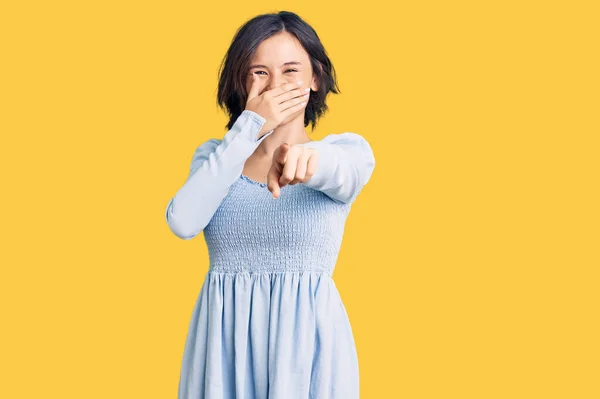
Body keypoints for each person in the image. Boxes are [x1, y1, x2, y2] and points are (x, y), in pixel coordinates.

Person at [165, 10, 375, 399]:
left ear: (315, 79)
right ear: (241, 81)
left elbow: (342, 173)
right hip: (222, 350)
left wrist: (308, 162)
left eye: (291, 71)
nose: (275, 86)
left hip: (307, 352)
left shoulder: (344, 152)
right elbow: (182, 221)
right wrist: (249, 129)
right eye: (259, 72)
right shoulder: (215, 158)